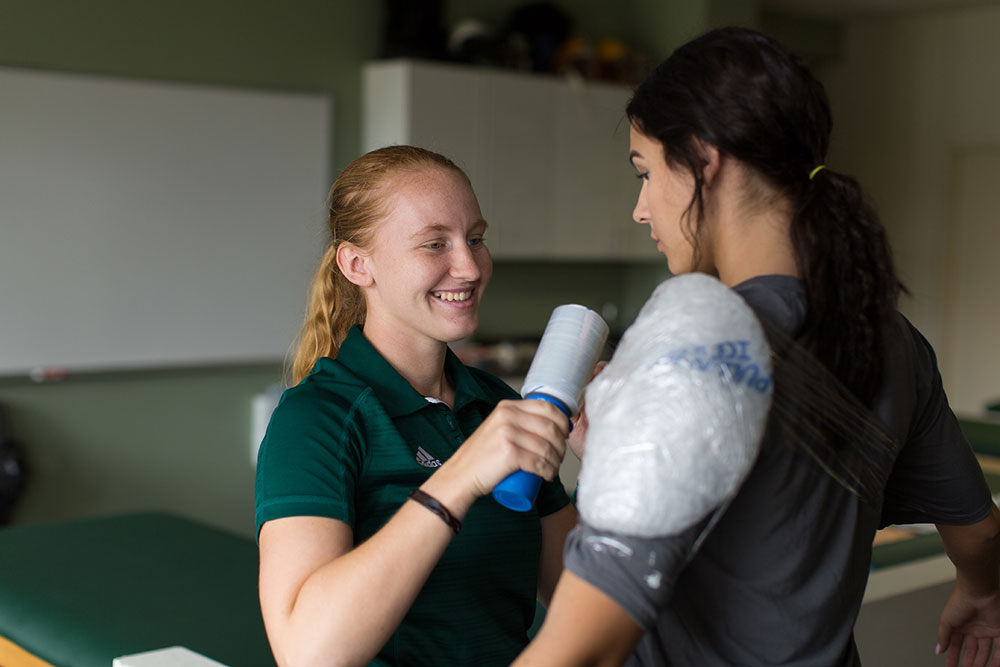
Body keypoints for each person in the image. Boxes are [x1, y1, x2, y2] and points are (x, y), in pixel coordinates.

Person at [514, 26, 1000, 667]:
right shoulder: (891, 337)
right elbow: (979, 530)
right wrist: (983, 593)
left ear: (701, 159)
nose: (641, 208)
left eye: (647, 172)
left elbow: (586, 644)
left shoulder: (688, 350)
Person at [255, 145, 577, 667]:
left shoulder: (498, 404)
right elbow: (307, 653)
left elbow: (583, 598)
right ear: (359, 264)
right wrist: (458, 480)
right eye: (434, 244)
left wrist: (611, 463)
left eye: (475, 238)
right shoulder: (316, 420)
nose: (470, 267)